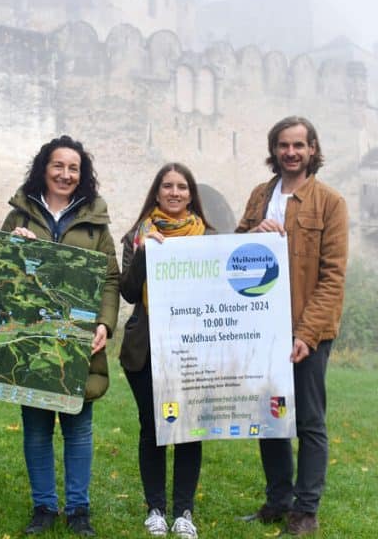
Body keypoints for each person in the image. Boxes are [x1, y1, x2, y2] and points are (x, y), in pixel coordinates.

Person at [0, 135, 120, 537]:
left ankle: (78, 508)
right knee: (35, 426)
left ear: (82, 174)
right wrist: (12, 248)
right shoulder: (20, 215)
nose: (66, 174)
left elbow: (109, 277)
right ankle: (44, 507)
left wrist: (104, 322)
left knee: (78, 425)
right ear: (43, 168)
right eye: (58, 166)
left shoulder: (95, 220)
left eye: (74, 168)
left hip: (77, 339)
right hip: (31, 337)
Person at [235, 116, 348, 536]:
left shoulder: (330, 202)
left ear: (312, 150)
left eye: (299, 145)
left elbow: (333, 277)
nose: (291, 152)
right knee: (269, 416)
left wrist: (306, 333)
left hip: (307, 331)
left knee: (309, 422)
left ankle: (306, 511)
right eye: (284, 145)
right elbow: (235, 250)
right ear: (275, 150)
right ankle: (278, 501)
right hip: (264, 328)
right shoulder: (260, 195)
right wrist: (254, 230)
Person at [118, 163, 215, 539]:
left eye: (182, 187)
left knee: (190, 427)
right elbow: (127, 292)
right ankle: (156, 508)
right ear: (156, 193)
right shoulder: (137, 235)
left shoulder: (209, 237)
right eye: (167, 186)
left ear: (191, 194)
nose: (174, 193)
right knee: (152, 427)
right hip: (146, 346)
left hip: (193, 346)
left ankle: (184, 512)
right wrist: (144, 253)